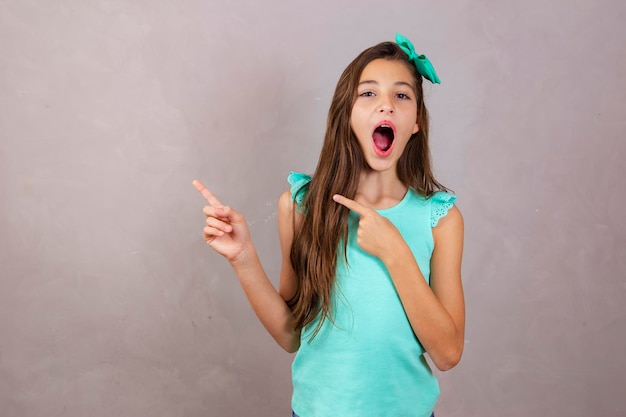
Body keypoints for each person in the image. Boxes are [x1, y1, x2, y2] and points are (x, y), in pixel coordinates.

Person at [193, 33, 465, 417]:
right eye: (368, 94)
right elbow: (292, 335)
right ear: (347, 113)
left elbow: (448, 353)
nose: (385, 105)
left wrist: (395, 251)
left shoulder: (441, 219)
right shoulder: (301, 206)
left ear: (416, 121)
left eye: (402, 96)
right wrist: (243, 258)